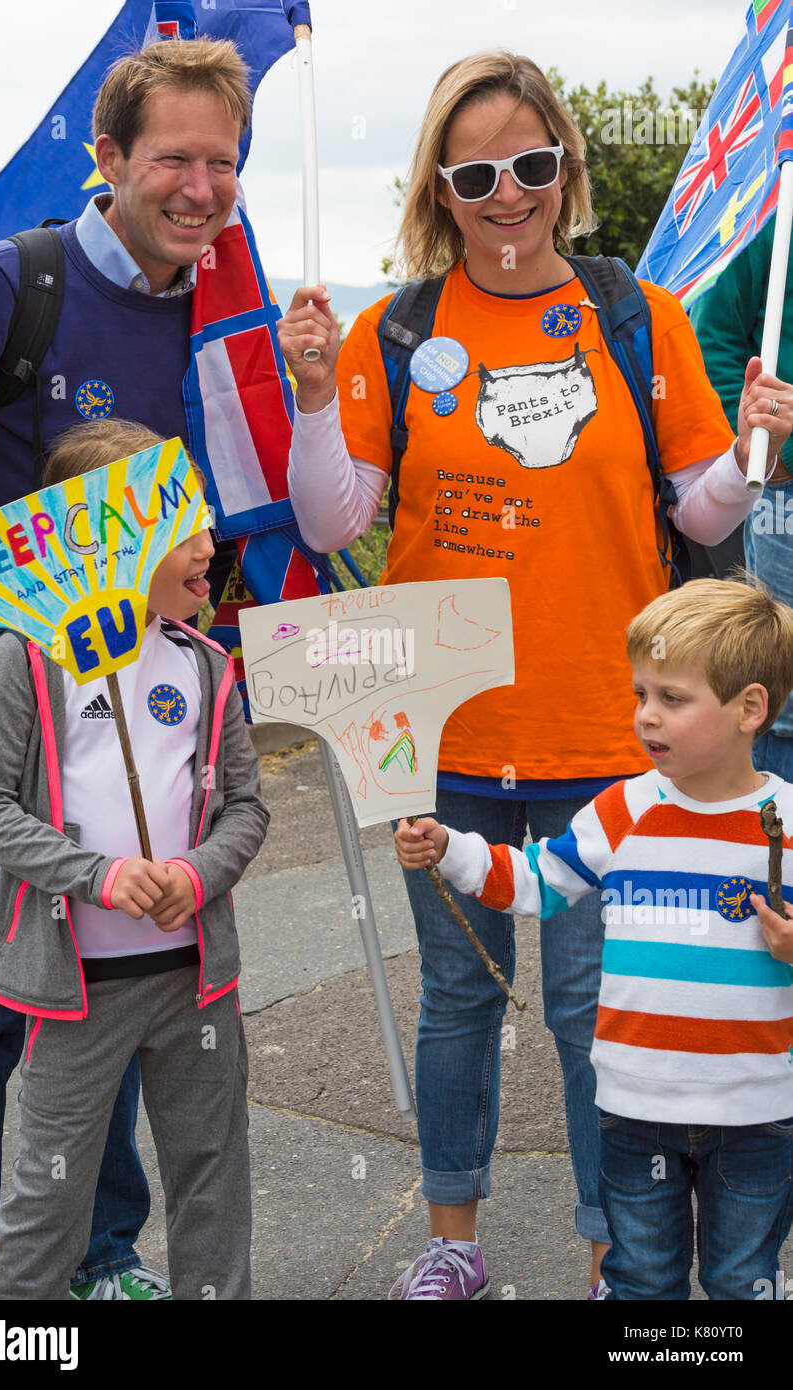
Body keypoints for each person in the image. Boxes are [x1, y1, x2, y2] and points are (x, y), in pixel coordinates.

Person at [276, 50, 793, 1299]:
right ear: (437, 188)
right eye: (473, 173)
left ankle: (613, 1241)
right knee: (455, 1000)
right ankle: (452, 1237)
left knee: (589, 1013)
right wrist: (306, 398)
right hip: (439, 729)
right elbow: (333, 522)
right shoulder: (394, 329)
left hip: (611, 733)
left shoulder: (634, 313)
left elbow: (696, 503)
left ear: (561, 164)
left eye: (529, 164)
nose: (505, 193)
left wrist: (749, 444)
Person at [0, 37, 250, 1298]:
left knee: (119, 977)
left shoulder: (223, 311)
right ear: (106, 158)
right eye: (171, 155)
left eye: (221, 160)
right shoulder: (9, 283)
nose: (198, 185)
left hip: (155, 701)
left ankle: (105, 1255)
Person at [396, 577, 793, 1300]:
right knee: (640, 1280)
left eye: (673, 699)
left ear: (750, 708)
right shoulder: (623, 809)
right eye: (641, 694)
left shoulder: (787, 822)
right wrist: (450, 846)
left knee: (744, 1281)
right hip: (635, 1108)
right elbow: (535, 882)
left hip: (756, 1113)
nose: (647, 717)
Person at [0, 416, 269, 1301]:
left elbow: (246, 806)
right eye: (185, 529)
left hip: (195, 977)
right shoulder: (27, 659)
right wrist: (96, 874)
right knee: (47, 1198)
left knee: (212, 1182)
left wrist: (198, 875)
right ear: (110, 537)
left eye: (206, 520)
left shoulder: (206, 665)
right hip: (74, 986)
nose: (210, 545)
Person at [690, 216, 793, 779]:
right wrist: (772, 456)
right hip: (786, 494)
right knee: (785, 696)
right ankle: (778, 852)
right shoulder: (770, 207)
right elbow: (715, 338)